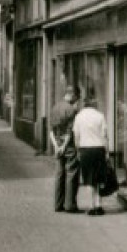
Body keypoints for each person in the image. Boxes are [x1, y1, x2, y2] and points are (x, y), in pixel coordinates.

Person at [72, 88, 110, 216]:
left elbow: (76, 136)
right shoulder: (100, 116)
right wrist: (107, 152)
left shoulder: (79, 117)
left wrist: (77, 150)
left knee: (88, 178)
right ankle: (98, 204)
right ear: (93, 103)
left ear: (84, 104)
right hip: (98, 149)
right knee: (98, 178)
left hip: (85, 149)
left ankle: (90, 206)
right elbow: (104, 135)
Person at [48, 85, 81, 213]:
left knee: (59, 174)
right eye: (76, 97)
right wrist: (64, 146)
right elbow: (70, 131)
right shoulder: (71, 110)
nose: (76, 100)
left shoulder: (55, 107)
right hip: (68, 146)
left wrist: (56, 146)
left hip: (57, 144)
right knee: (71, 174)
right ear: (72, 95)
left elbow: (51, 130)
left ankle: (58, 204)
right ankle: (69, 205)